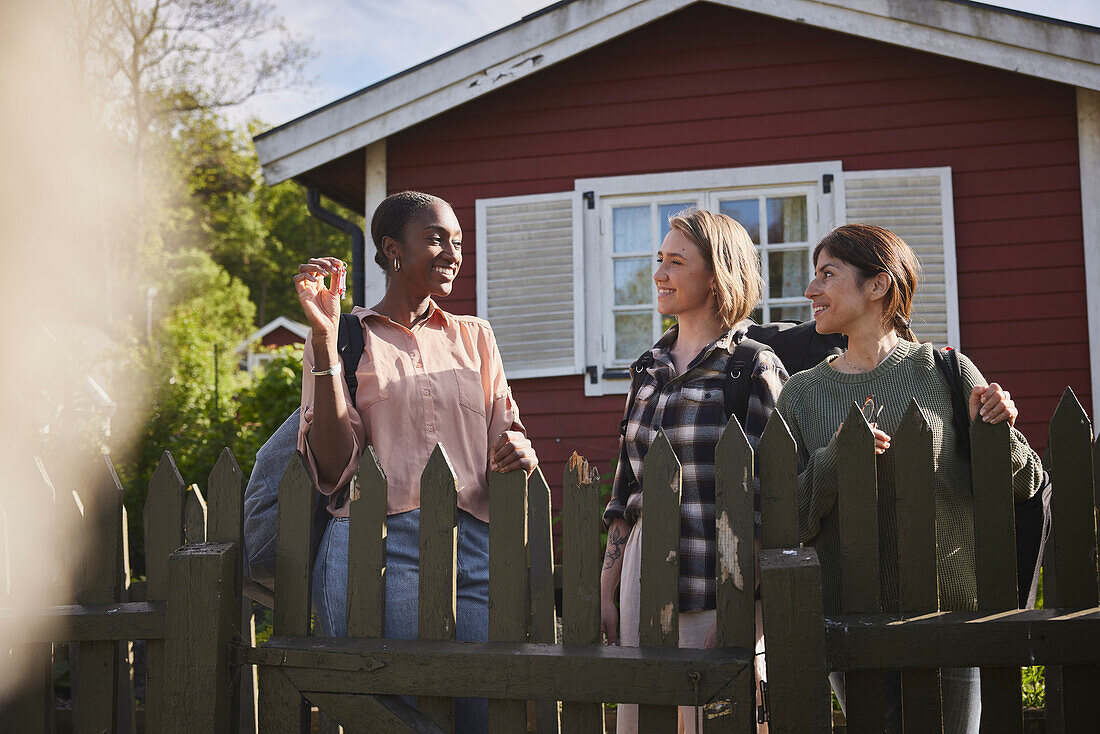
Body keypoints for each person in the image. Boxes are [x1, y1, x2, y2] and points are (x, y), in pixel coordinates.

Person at [776, 224, 1043, 732]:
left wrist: (998, 431)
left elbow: (1026, 484)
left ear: (877, 286)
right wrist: (835, 460)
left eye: (827, 275)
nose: (810, 291)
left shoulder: (944, 368)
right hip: (848, 621)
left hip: (950, 618)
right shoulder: (802, 394)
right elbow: (788, 519)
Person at [294, 190, 537, 733]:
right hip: (378, 549)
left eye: (457, 242)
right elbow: (333, 467)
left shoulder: (476, 338)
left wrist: (521, 450)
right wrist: (325, 341)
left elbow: (508, 434)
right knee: (398, 716)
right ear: (392, 249)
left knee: (482, 713)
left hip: (477, 548)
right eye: (435, 239)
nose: (452, 253)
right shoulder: (344, 338)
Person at [600, 208, 787, 734]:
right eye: (659, 259)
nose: (659, 273)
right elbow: (625, 487)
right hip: (643, 579)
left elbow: (774, 498)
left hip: (717, 579)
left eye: (676, 261)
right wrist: (607, 586)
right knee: (643, 722)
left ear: (717, 273)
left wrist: (745, 608)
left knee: (717, 722)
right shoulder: (647, 368)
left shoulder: (752, 367)